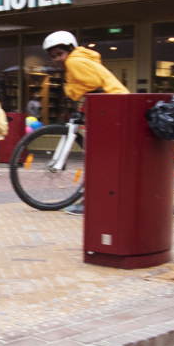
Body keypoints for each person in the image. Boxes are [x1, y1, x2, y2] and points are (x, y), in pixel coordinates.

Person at [42, 30, 127, 213]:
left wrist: (71, 89)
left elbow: (92, 84)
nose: (56, 59)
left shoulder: (74, 61)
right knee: (100, 155)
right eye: (53, 56)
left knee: (97, 156)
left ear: (70, 50)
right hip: (113, 105)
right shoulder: (78, 60)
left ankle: (92, 201)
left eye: (59, 54)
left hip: (112, 106)